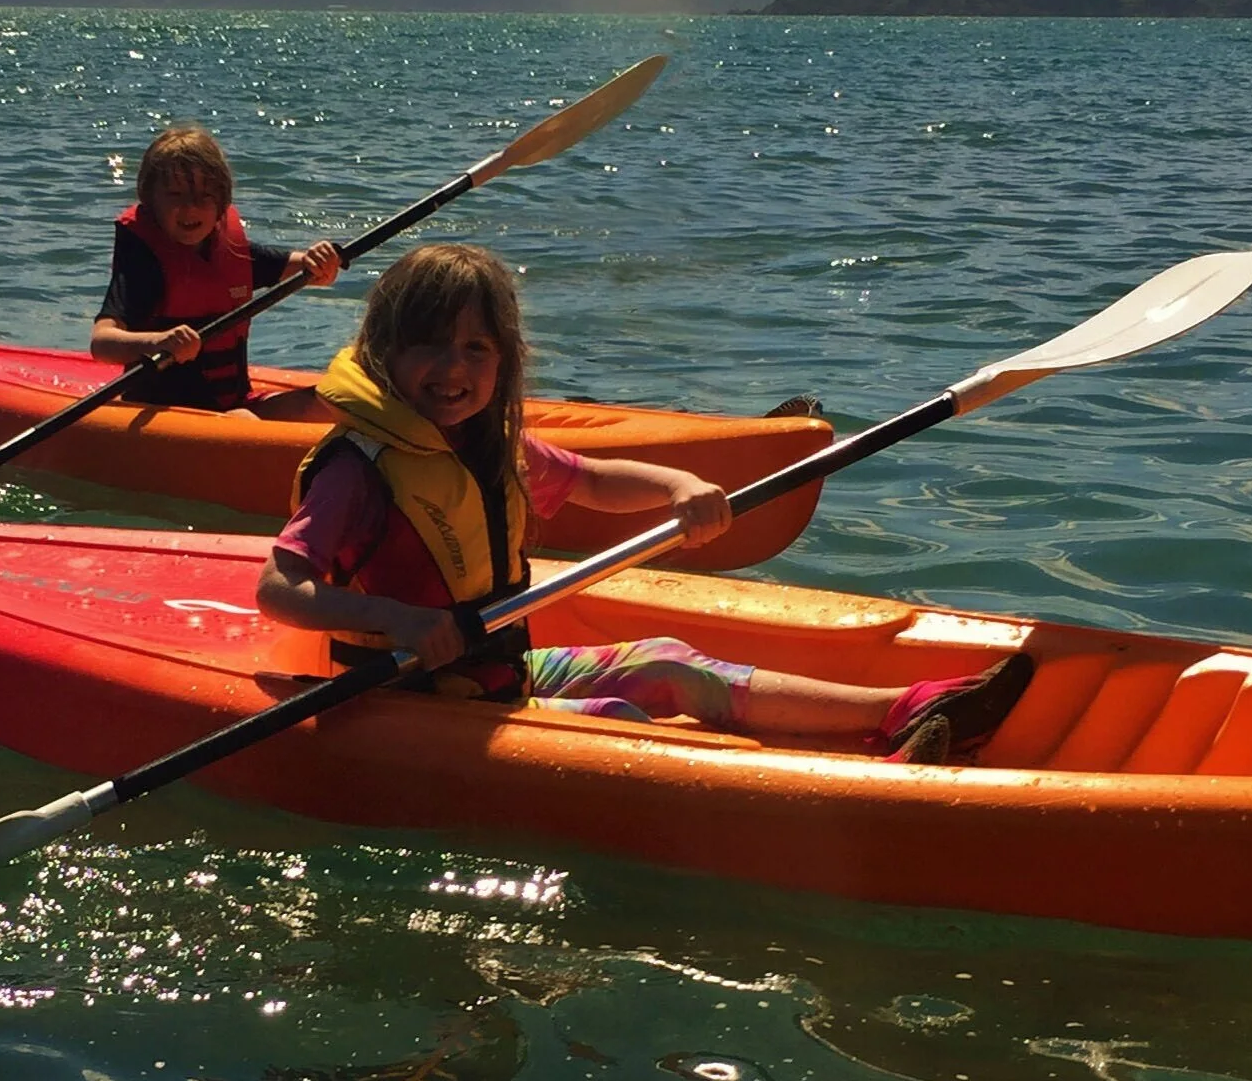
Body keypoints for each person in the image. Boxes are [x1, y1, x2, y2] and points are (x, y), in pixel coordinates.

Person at [255, 243, 1032, 762]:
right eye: (429, 345)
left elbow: (593, 480)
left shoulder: (490, 450)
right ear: (385, 355)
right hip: (411, 705)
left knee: (667, 663)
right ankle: (837, 791)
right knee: (622, 730)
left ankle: (900, 709)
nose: (452, 369)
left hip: (501, 675)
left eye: (477, 349)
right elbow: (279, 589)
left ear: (505, 360)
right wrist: (400, 621)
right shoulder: (357, 473)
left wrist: (678, 488)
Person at [90, 123, 343, 419]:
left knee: (335, 403)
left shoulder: (230, 252)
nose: (190, 208)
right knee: (246, 420)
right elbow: (101, 343)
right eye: (175, 194)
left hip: (234, 406)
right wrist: (158, 342)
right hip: (168, 413)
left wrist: (322, 262)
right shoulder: (144, 266)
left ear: (222, 202)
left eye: (204, 196)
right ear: (150, 200)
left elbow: (307, 269)